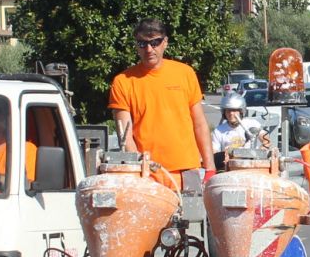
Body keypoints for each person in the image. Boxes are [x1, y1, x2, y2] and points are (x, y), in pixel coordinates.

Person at [108, 18, 215, 183]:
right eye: (143, 43)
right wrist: (139, 172)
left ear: (165, 42)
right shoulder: (123, 81)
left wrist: (210, 168)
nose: (149, 49)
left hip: (188, 171)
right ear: (136, 45)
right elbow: (125, 135)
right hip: (148, 174)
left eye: (155, 42)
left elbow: (199, 123)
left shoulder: (185, 73)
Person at [209, 91, 268, 170]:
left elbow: (266, 139)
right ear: (224, 112)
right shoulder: (219, 131)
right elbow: (214, 152)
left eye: (234, 110)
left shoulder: (251, 124)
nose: (231, 114)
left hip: (252, 166)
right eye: (228, 110)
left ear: (241, 111)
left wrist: (261, 151)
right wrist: (223, 156)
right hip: (230, 168)